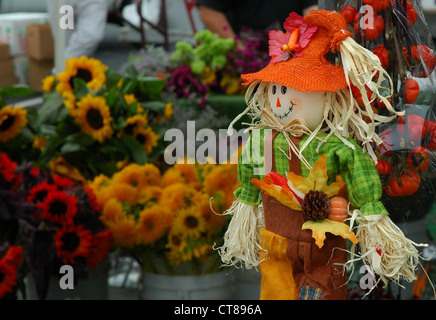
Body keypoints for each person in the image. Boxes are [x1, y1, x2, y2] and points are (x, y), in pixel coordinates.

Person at [196, 0, 318, 46]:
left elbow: (313, 11)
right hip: (239, 62)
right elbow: (208, 10)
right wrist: (240, 52)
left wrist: (300, 48)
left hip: (288, 60)